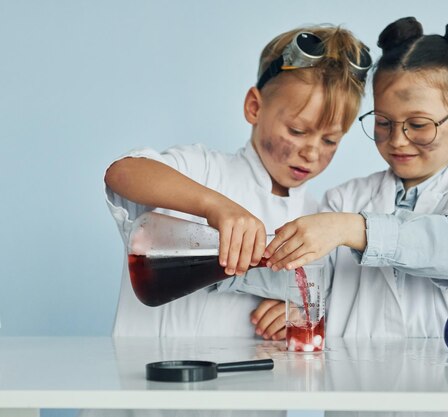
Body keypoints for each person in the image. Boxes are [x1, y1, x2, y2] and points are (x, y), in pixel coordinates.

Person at [103, 25, 371, 338]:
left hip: (242, 386)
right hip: (149, 379)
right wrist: (214, 205)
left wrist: (294, 318)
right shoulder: (203, 169)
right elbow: (122, 173)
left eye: (330, 141)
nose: (311, 152)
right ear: (254, 107)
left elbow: (312, 314)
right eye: (297, 131)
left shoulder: (316, 226)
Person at [251, 16, 448, 339]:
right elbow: (315, 282)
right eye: (383, 122)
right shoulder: (344, 200)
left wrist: (350, 228)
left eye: (417, 125)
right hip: (354, 384)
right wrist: (299, 308)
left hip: (447, 383)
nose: (398, 140)